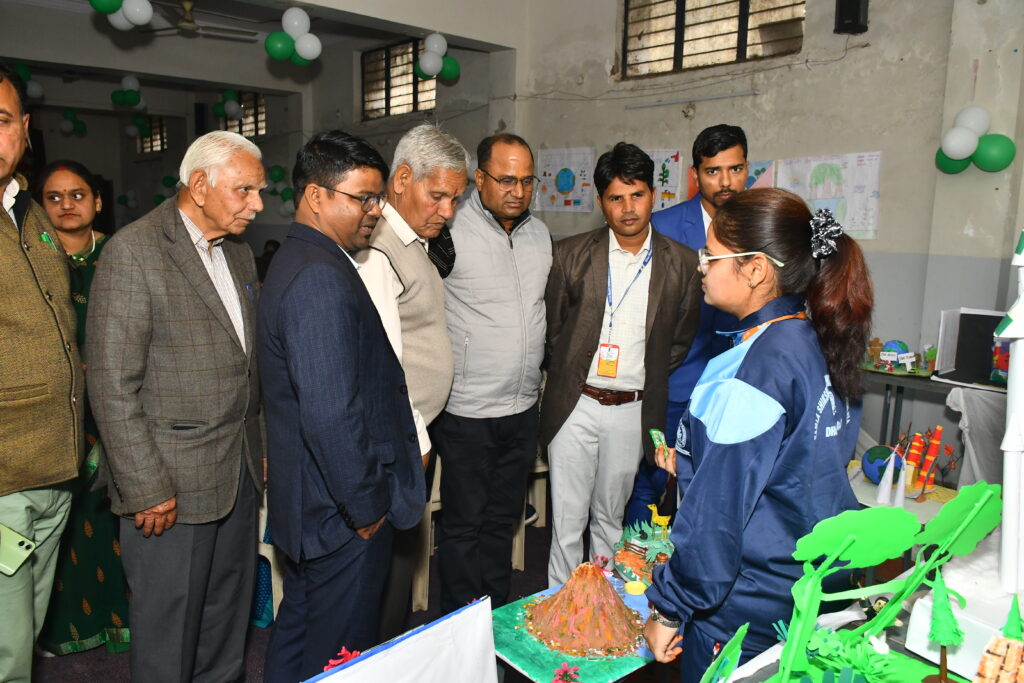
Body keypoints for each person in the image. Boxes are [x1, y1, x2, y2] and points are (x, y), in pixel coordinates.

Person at [643, 188, 874, 681]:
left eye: (711, 256)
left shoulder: (753, 370)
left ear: (755, 270)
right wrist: (697, 461)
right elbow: (798, 462)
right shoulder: (817, 341)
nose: (701, 267)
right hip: (810, 589)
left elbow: (717, 516)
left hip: (747, 607)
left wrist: (670, 607)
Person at [87, 131, 265, 683]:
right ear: (200, 185)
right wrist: (145, 486)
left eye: (259, 191)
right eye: (245, 190)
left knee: (226, 624)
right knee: (168, 637)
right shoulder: (134, 251)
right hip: (168, 488)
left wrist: (258, 449)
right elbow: (112, 385)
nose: (258, 204)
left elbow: (248, 365)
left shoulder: (238, 253)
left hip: (236, 474)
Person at [258, 130, 425, 681]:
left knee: (302, 633)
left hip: (318, 506)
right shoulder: (317, 277)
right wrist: (368, 509)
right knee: (340, 657)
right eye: (363, 198)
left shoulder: (308, 258)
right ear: (316, 196)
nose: (375, 211)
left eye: (378, 198)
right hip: (339, 513)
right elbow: (331, 413)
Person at [541, 142, 701, 585]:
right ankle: (559, 608)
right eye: (616, 197)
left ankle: (603, 607)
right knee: (566, 521)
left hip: (633, 409)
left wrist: (638, 379)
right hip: (576, 404)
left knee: (610, 519)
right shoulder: (570, 254)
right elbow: (555, 332)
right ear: (601, 201)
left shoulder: (683, 263)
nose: (627, 208)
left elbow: (679, 342)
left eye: (637, 195)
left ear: (654, 195)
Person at [352, 122, 469, 636]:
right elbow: (380, 366)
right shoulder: (378, 249)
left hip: (413, 434)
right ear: (401, 180)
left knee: (395, 572)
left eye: (455, 199)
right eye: (437, 195)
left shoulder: (413, 240)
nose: (447, 210)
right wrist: (415, 440)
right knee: (381, 581)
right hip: (398, 440)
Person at [435, 133, 552, 613]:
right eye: (505, 179)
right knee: (464, 523)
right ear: (478, 179)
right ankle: (461, 623)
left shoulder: (539, 235)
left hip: (522, 408)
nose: (517, 191)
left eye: (526, 180)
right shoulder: (447, 232)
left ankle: (494, 614)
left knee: (504, 519)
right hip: (466, 410)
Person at [0, 63, 84, 683]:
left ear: (24, 129)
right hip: (5, 474)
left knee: (23, 634)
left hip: (56, 465)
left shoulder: (28, 212)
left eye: (1, 120)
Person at [624, 124, 747, 526]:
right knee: (651, 483)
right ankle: (632, 560)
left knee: (720, 492)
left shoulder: (760, 226)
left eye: (735, 169)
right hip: (676, 384)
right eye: (713, 171)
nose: (725, 181)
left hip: (738, 386)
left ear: (747, 169)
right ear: (696, 175)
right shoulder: (662, 227)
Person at [33, 160, 130, 655]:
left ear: (97, 201)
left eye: (77, 195)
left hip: (118, 406)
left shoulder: (122, 255)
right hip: (51, 412)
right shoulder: (29, 259)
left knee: (112, 519)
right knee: (61, 527)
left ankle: (118, 622)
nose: (67, 205)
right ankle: (62, 631)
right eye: (54, 197)